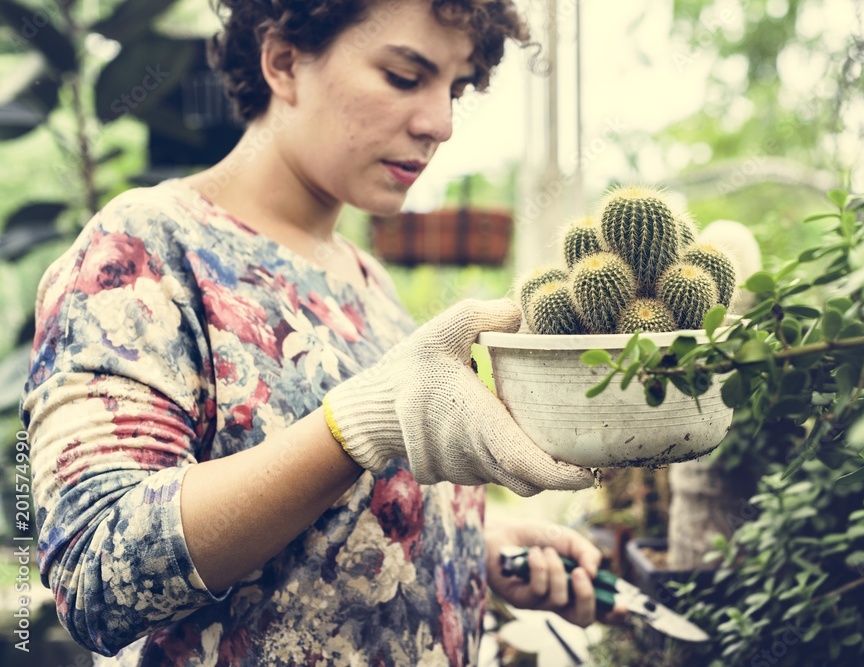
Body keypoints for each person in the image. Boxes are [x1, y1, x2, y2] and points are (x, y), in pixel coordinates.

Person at [20, 0, 626, 664]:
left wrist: (483, 540)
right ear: (283, 62)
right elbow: (96, 575)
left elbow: (338, 524)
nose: (440, 123)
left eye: (454, 88)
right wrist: (355, 426)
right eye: (403, 76)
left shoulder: (370, 284)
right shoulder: (146, 247)